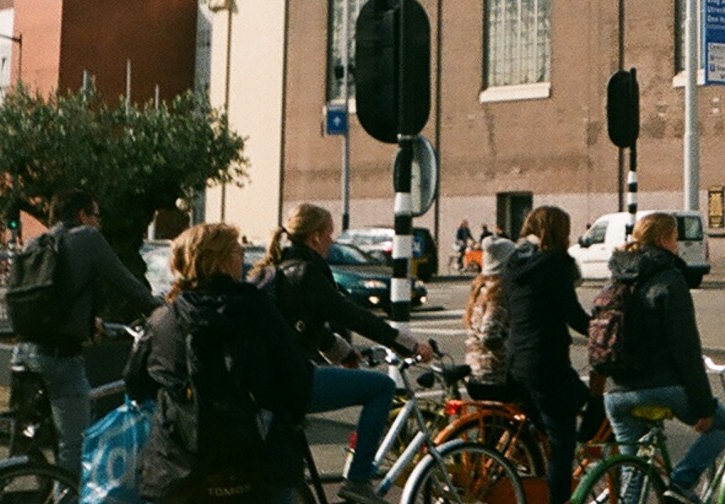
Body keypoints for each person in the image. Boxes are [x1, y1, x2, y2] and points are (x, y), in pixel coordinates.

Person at [253, 203, 433, 504]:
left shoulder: (277, 270)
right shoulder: (307, 273)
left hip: (268, 381)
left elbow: (304, 325)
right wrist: (410, 344)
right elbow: (352, 315)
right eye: (330, 235)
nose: (332, 242)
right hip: (292, 382)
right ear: (314, 238)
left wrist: (344, 353)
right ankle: (359, 479)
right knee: (381, 387)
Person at [127, 223, 312, 504]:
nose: (243, 258)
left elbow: (135, 383)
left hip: (181, 468)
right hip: (256, 462)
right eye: (238, 252)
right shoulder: (259, 311)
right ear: (224, 260)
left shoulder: (163, 320)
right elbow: (297, 377)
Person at [11, 188, 158, 480]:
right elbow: (127, 285)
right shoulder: (87, 239)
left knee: (43, 438)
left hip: (24, 352)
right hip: (59, 358)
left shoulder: (35, 243)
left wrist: (89, 320)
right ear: (82, 216)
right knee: (74, 448)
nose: (99, 223)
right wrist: (166, 310)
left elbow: (49, 300)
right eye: (96, 216)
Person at [601, 212, 725, 504]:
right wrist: (703, 407)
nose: (677, 245)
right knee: (724, 425)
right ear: (664, 240)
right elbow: (686, 348)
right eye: (675, 238)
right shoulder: (670, 278)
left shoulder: (616, 278)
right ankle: (681, 484)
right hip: (660, 387)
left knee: (632, 475)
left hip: (617, 393)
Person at [504, 205, 591, 504]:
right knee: (563, 441)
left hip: (516, 361)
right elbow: (573, 314)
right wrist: (603, 333)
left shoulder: (513, 263)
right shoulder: (556, 264)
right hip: (546, 363)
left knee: (553, 420)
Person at [462, 236, 518, 398]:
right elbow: (489, 335)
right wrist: (512, 356)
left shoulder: (481, 289)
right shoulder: (497, 296)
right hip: (494, 376)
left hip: (475, 374)